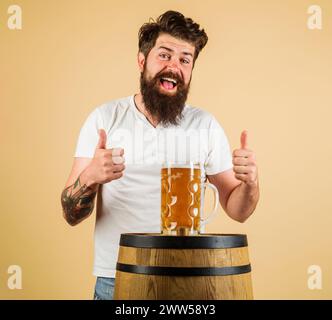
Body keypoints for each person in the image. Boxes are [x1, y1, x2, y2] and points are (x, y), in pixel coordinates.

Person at [61, 10, 259, 300]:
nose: (174, 66)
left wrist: (251, 183)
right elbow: (70, 213)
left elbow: (238, 210)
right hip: (117, 278)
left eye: (184, 60)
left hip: (191, 275)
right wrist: (90, 176)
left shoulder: (205, 125)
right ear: (142, 61)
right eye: (164, 55)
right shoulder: (104, 118)